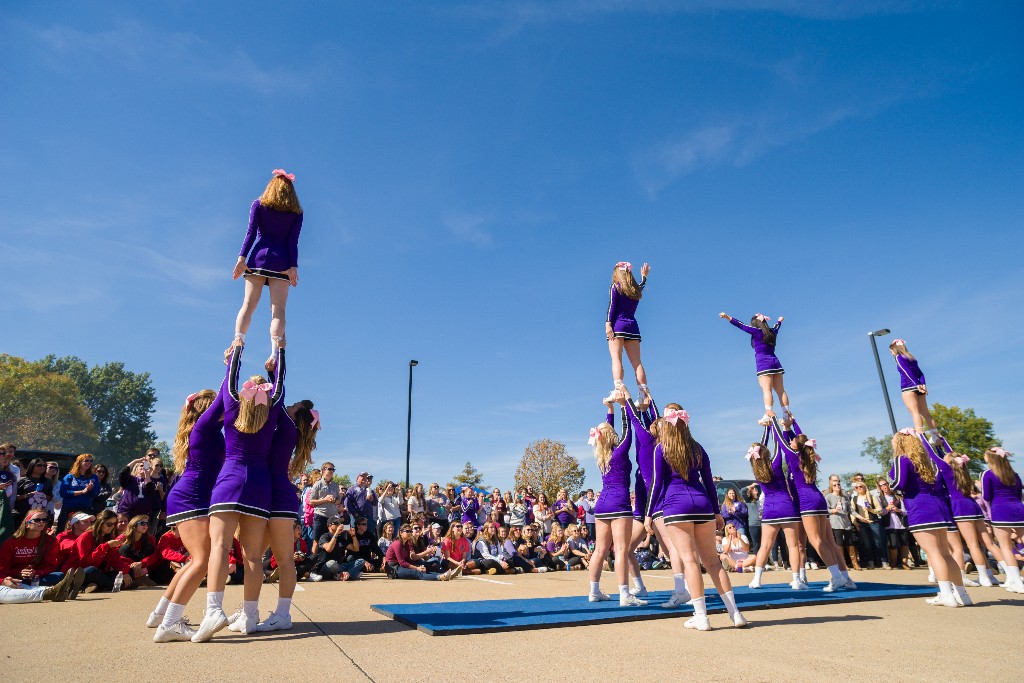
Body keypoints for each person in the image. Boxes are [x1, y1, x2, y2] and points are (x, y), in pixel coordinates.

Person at [194, 343, 286, 642]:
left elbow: (230, 382)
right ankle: (250, 615)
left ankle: (214, 609)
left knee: (220, 547)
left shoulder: (233, 405)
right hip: (260, 484)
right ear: (269, 391)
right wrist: (279, 354)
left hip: (231, 478)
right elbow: (283, 381)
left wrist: (235, 351)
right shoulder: (273, 409)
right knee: (254, 556)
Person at [647, 407, 748, 630]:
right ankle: (735, 613)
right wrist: (716, 511)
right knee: (713, 562)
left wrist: (648, 514)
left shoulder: (661, 449)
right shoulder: (698, 448)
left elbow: (656, 485)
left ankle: (701, 617)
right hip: (702, 504)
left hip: (676, 506)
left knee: (690, 561)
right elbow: (710, 483)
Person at [150, 385, 224, 642]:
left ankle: (160, 615)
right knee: (203, 561)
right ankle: (169, 624)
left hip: (191, 496)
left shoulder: (207, 428)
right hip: (190, 497)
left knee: (195, 560)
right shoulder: (204, 427)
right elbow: (227, 393)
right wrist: (231, 361)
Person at [255, 399, 320, 633]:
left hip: (280, 496)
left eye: (294, 405)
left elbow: (277, 401)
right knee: (253, 556)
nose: (288, 405)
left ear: (298, 415)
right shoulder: (286, 426)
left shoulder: (288, 426)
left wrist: (273, 374)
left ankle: (283, 613)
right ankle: (249, 610)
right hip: (269, 493)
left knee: (284, 558)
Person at [773, 418, 855, 591]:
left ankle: (836, 577)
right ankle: (846, 577)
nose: (790, 440)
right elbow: (798, 437)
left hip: (807, 502)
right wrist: (791, 423)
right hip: (818, 498)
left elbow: (781, 440)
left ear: (795, 445)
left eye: (792, 440)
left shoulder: (793, 457)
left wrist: (773, 421)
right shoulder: (805, 453)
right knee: (829, 542)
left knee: (817, 541)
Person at [889, 429, 968, 606]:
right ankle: (962, 594)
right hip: (938, 507)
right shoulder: (931, 460)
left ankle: (947, 595)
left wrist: (890, 476)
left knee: (934, 553)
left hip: (920, 508)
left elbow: (898, 483)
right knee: (945, 553)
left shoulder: (902, 459)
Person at [233, 168, 303, 365]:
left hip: (258, 258)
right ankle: (275, 352)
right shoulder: (296, 214)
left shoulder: (258, 204)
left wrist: (241, 258)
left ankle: (238, 342)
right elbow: (292, 242)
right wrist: (293, 267)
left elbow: (251, 233)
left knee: (248, 305)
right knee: (278, 309)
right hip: (282, 261)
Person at [588, 396, 646, 606]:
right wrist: (623, 407)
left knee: (600, 550)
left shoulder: (601, 453)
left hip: (602, 503)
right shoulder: (620, 452)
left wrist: (609, 411)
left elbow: (609, 432)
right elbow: (627, 430)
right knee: (621, 549)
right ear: (610, 436)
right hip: (619, 501)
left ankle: (594, 590)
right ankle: (625, 594)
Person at [744, 436, 804, 590]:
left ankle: (756, 579)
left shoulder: (756, 470)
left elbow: (763, 446)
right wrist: (773, 422)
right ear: (766, 453)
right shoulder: (775, 464)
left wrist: (767, 427)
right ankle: (796, 580)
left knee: (764, 546)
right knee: (793, 546)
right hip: (785, 507)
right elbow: (779, 443)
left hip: (769, 510)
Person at [719, 312, 789, 425]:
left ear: (755, 324)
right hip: (775, 363)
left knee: (767, 389)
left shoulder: (756, 331)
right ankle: (786, 415)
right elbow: (777, 326)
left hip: (764, 364)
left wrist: (727, 317)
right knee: (781, 391)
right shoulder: (772, 332)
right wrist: (780, 320)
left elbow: (740, 325)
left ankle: (769, 413)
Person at [605, 261, 651, 398]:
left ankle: (618, 389)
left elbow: (612, 306)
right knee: (637, 363)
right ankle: (643, 394)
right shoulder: (635, 290)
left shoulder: (616, 287)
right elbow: (641, 286)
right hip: (633, 326)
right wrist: (644, 276)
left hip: (618, 325)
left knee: (616, 358)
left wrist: (608, 324)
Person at [981, 447, 1024, 593]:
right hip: (1019, 509)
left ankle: (1016, 581)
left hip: (1001, 511)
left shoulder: (988, 474)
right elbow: (1019, 494)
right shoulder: (1015, 474)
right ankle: (1012, 580)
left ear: (991, 458)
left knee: (1005, 546)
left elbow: (986, 496)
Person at [0, 509, 73, 590]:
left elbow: (50, 566)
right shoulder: (11, 543)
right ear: (27, 523)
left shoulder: (50, 541)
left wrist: (35, 573)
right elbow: (3, 568)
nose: (41, 522)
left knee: (59, 575)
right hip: (15, 576)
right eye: (37, 520)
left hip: (38, 577)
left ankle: (30, 587)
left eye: (45, 520)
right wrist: (19, 573)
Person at [889, 339, 939, 441]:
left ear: (895, 349)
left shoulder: (898, 357)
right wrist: (923, 384)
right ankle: (935, 436)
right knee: (926, 414)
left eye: (891, 351)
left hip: (908, 387)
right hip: (919, 387)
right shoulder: (912, 358)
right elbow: (921, 373)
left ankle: (921, 435)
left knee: (914, 412)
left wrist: (917, 385)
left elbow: (906, 371)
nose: (891, 353)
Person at [70, 510, 124, 592]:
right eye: (109, 524)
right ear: (101, 523)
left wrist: (125, 571)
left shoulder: (107, 537)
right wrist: (105, 546)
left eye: (114, 524)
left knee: (124, 573)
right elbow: (85, 562)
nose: (112, 527)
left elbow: (114, 559)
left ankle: (97, 586)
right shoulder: (86, 536)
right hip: (80, 572)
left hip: (99, 571)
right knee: (92, 571)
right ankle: (108, 585)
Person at [385, 525, 459, 581]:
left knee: (424, 568)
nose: (410, 533)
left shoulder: (407, 543)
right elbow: (402, 562)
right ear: (401, 533)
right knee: (418, 573)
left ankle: (443, 574)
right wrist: (416, 567)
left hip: (401, 566)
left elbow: (408, 559)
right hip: (393, 569)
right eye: (407, 531)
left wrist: (418, 566)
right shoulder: (397, 543)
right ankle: (439, 577)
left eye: (410, 531)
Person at [309, 516, 364, 581]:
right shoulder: (324, 537)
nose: (339, 525)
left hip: (340, 565)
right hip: (326, 567)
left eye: (340, 523)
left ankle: (343, 574)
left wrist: (353, 535)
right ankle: (350, 574)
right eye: (337, 523)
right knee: (332, 563)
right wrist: (336, 533)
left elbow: (356, 549)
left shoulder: (340, 538)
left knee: (361, 561)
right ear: (330, 525)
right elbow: (329, 549)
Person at [57, 454, 100, 533]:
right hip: (69, 509)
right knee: (63, 531)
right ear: (79, 462)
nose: (89, 462)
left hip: (85, 509)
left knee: (85, 532)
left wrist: (90, 489)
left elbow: (95, 494)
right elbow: (63, 493)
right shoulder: (69, 476)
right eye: (86, 460)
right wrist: (82, 491)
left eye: (91, 461)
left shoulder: (94, 477)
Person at [876, 478, 912, 572]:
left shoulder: (897, 497)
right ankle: (893, 562)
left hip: (901, 524)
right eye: (881, 485)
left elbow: (905, 511)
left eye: (885, 484)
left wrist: (898, 510)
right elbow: (880, 512)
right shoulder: (880, 498)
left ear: (888, 484)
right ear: (879, 487)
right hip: (889, 525)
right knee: (893, 544)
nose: (884, 486)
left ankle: (904, 563)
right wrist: (887, 508)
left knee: (904, 543)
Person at [851, 481, 887, 569]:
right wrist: (855, 522)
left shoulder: (871, 497)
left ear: (865, 487)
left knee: (878, 542)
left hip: (873, 521)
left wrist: (871, 510)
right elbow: (852, 512)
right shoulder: (854, 499)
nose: (859, 488)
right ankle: (871, 562)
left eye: (860, 486)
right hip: (862, 523)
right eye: (857, 487)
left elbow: (880, 510)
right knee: (867, 544)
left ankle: (884, 562)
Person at [825, 480, 858, 570]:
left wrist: (859, 516)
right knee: (839, 543)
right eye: (835, 485)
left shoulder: (845, 497)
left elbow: (850, 510)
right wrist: (833, 510)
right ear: (831, 487)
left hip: (846, 522)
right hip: (835, 522)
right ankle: (842, 564)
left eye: (838, 484)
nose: (837, 486)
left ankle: (855, 563)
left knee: (850, 542)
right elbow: (825, 510)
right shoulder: (828, 497)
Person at [118, 515, 158, 587]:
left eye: (147, 524)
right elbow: (115, 555)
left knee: (148, 546)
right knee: (125, 548)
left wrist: (142, 563)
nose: (145, 526)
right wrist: (132, 566)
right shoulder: (123, 538)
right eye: (143, 523)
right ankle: (135, 577)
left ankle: (140, 577)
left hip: (142, 567)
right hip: (127, 568)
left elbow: (155, 555)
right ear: (134, 525)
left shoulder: (149, 538)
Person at [116, 458, 160, 522]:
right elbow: (123, 473)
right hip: (126, 513)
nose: (143, 467)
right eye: (141, 466)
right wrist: (135, 461)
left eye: (145, 466)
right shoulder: (130, 480)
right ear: (136, 469)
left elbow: (149, 488)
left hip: (142, 516)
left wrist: (147, 474)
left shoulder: (151, 483)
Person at [14, 458, 53, 528]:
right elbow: (14, 497)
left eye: (44, 466)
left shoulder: (48, 482)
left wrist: (43, 496)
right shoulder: (22, 480)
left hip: (38, 516)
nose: (42, 467)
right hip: (21, 513)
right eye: (39, 465)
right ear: (32, 466)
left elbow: (50, 497)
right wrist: (28, 495)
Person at [308, 463, 340, 543]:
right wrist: (325, 500)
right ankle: (314, 555)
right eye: (330, 469)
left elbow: (339, 499)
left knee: (331, 540)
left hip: (332, 517)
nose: (332, 471)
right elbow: (310, 501)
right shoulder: (317, 484)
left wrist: (334, 501)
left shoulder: (335, 485)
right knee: (317, 540)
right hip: (320, 516)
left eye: (333, 469)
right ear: (323, 470)